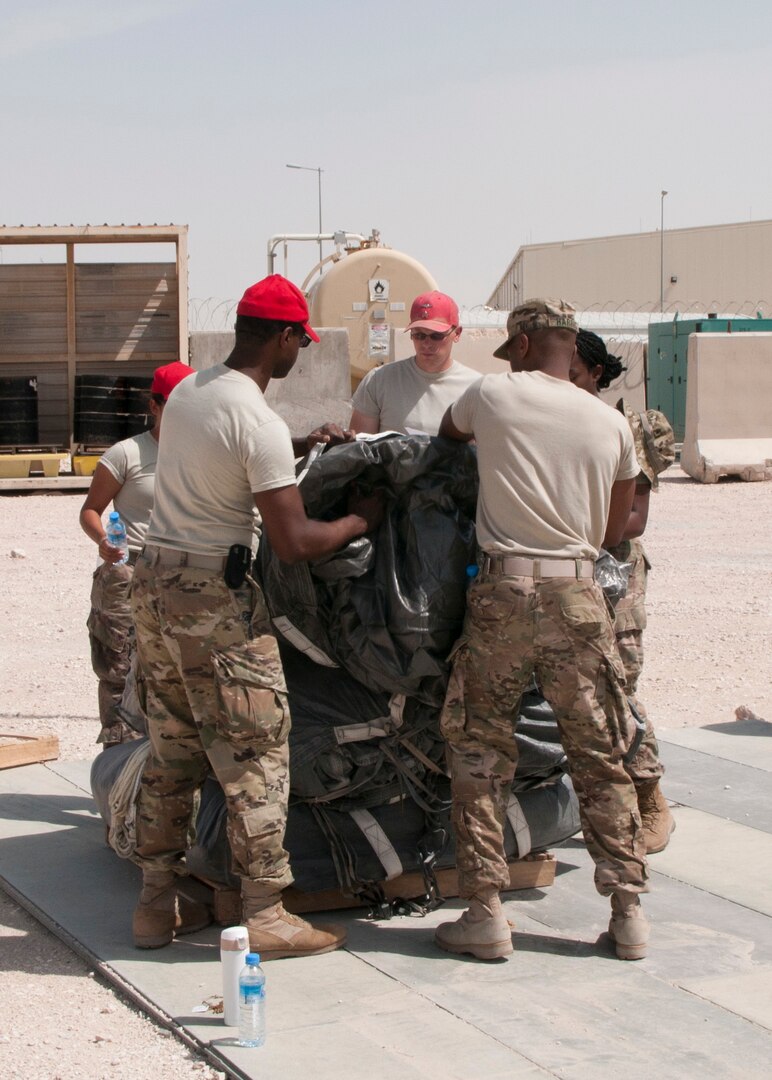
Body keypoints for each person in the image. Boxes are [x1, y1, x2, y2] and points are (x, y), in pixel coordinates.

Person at [129, 274, 382, 958]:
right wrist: (361, 518)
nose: (301, 347)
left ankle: (156, 902)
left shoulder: (189, 392)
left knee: (173, 748)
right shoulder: (256, 419)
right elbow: (296, 544)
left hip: (157, 587)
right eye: (300, 336)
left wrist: (301, 449)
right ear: (281, 337)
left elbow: (227, 462)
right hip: (215, 602)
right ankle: (265, 911)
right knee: (256, 751)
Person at [434, 299, 650, 963]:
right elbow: (615, 533)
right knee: (599, 753)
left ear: (523, 344)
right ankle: (628, 914)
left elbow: (446, 435)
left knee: (478, 748)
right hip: (578, 596)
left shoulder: (492, 393)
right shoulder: (612, 426)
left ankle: (485, 914)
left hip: (504, 591)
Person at [570, 329, 676, 853]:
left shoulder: (622, 429)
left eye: (572, 372)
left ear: (594, 373)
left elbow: (632, 521)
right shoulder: (553, 423)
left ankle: (650, 794)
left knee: (619, 685)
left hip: (614, 576)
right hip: (564, 572)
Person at [79, 361, 194, 746]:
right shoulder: (126, 454)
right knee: (119, 670)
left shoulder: (203, 455)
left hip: (183, 574)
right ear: (154, 406)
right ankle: (117, 763)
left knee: (178, 673)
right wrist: (104, 542)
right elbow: (90, 510)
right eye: (173, 406)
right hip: (128, 572)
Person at [312, 291, 480, 443]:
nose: (426, 344)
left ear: (457, 333)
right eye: (419, 335)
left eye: (436, 336)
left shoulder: (476, 388)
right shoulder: (379, 381)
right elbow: (360, 452)